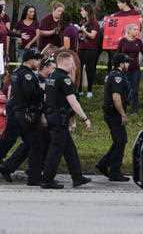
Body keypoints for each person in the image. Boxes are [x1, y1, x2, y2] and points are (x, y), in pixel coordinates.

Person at [0, 48, 45, 184]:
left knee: (23, 140)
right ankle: (9, 166)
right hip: (23, 111)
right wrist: (42, 90)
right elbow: (30, 94)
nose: (39, 62)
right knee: (32, 142)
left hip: (16, 109)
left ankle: (4, 164)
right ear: (30, 60)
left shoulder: (18, 72)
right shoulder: (27, 75)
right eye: (37, 59)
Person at [42, 51, 92, 189]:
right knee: (56, 150)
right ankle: (47, 180)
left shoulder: (52, 76)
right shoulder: (64, 79)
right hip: (59, 117)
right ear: (68, 63)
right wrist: (85, 118)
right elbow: (73, 101)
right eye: (73, 63)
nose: (74, 65)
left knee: (69, 148)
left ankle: (77, 177)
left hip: (53, 116)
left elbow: (46, 97)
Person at [96, 53, 131, 181]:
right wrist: (123, 114)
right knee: (121, 140)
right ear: (121, 64)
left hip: (111, 112)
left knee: (119, 141)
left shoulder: (113, 74)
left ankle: (104, 164)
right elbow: (116, 97)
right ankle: (114, 171)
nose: (128, 64)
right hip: (114, 113)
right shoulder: (117, 77)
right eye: (126, 62)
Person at [117, 23, 143, 113]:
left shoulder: (138, 41)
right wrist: (117, 66)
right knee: (124, 89)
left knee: (135, 90)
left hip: (135, 69)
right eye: (135, 29)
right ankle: (124, 108)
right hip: (124, 70)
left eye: (137, 29)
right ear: (129, 30)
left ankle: (135, 109)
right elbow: (117, 54)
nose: (137, 31)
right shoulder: (122, 41)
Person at [77, 4, 100, 98]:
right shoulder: (83, 21)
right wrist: (79, 32)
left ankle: (90, 90)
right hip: (81, 48)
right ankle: (79, 90)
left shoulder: (94, 22)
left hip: (91, 49)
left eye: (82, 10)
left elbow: (93, 36)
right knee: (79, 69)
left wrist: (84, 31)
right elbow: (80, 35)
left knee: (89, 69)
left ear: (87, 11)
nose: (81, 12)